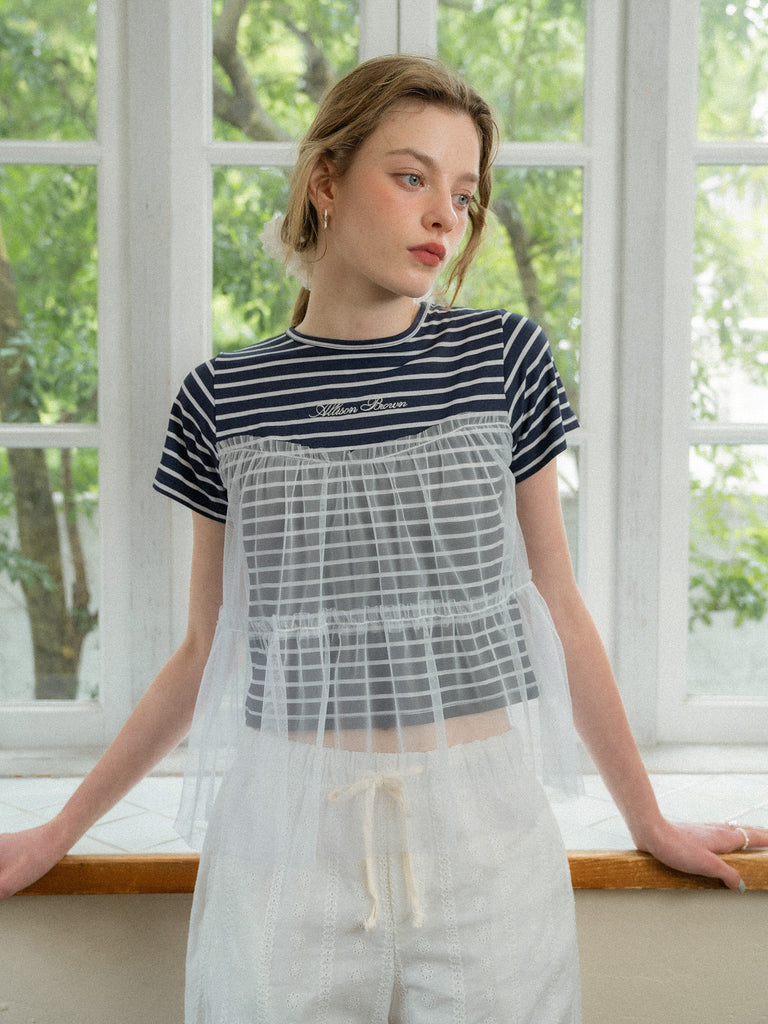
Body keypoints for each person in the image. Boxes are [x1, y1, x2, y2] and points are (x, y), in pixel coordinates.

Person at [1, 54, 766, 1024]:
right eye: (412, 177)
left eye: (464, 194)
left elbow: (558, 604)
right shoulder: (221, 399)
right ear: (325, 182)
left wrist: (647, 819)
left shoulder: (503, 358)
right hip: (288, 840)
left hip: (485, 837)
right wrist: (56, 831)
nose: (445, 216)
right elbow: (201, 650)